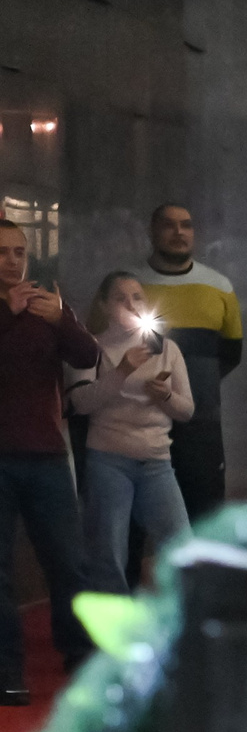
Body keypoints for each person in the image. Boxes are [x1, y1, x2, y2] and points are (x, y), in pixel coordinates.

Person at [0, 220, 97, 701]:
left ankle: (80, 659)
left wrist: (62, 318)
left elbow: (87, 355)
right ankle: (7, 673)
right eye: (3, 252)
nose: (13, 261)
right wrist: (6, 313)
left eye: (19, 251)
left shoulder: (46, 304)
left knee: (69, 562)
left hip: (45, 455)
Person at [68, 273, 193, 595]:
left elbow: (187, 410)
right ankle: (114, 628)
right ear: (105, 305)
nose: (130, 305)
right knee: (108, 552)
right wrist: (122, 371)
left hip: (156, 461)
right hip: (109, 458)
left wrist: (164, 396)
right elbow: (80, 402)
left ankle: (182, 622)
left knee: (181, 544)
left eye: (137, 297)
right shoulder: (92, 347)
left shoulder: (166, 349)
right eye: (120, 298)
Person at [134, 204, 240, 519]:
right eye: (169, 225)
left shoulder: (219, 286)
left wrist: (191, 386)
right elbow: (105, 349)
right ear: (152, 231)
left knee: (204, 514)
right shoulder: (129, 285)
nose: (179, 232)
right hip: (139, 421)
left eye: (186, 225)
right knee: (135, 523)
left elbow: (232, 353)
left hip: (200, 424)